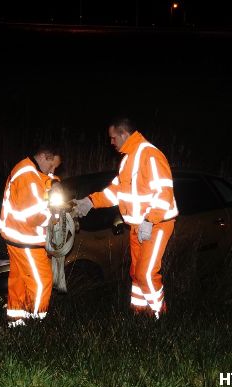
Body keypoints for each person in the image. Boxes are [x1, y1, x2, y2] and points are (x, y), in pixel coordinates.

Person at [72, 117, 178, 319]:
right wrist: (90, 202)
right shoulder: (128, 160)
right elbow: (116, 192)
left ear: (123, 134)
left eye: (113, 138)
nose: (111, 142)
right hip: (138, 225)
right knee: (136, 273)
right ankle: (139, 314)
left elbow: (164, 194)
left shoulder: (150, 155)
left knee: (146, 274)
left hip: (157, 224)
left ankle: (161, 318)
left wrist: (150, 220)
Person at [0, 145, 62, 327]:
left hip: (16, 237)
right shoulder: (28, 176)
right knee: (41, 281)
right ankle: (37, 324)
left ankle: (16, 321)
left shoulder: (29, 170)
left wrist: (55, 183)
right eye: (52, 166)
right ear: (44, 157)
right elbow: (33, 217)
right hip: (27, 239)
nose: (53, 171)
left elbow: (46, 182)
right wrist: (57, 216)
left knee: (19, 281)